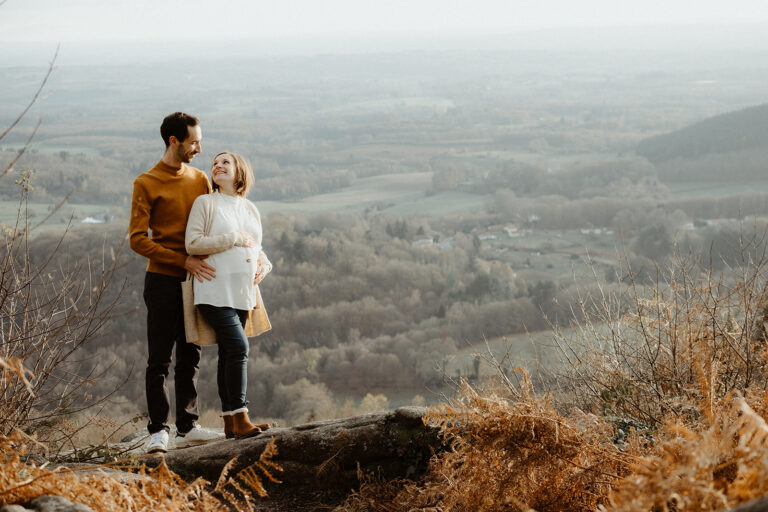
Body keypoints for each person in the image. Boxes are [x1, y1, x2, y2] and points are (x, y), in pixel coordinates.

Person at [129, 112, 225, 454]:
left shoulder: (200, 179)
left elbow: (221, 217)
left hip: (197, 280)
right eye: (194, 142)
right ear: (174, 141)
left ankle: (188, 426)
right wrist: (182, 260)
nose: (199, 148)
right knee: (159, 360)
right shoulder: (146, 183)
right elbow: (137, 239)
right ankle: (158, 430)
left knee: (191, 354)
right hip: (162, 280)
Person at [185, 151, 272, 438]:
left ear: (239, 171)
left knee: (228, 353)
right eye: (215, 163)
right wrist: (232, 239)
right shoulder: (206, 203)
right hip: (213, 289)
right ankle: (242, 415)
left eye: (225, 162)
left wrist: (265, 263)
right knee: (238, 348)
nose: (218, 166)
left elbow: (255, 246)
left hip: (243, 292)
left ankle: (230, 422)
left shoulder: (250, 208)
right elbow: (193, 244)